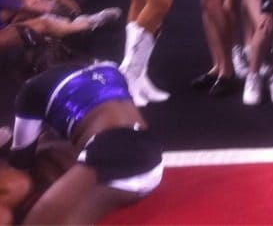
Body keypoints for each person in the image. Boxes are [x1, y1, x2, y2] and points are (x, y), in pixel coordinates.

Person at [7, 62, 163, 224]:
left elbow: (21, 161)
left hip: (113, 157)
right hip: (150, 159)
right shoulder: (109, 68)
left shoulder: (32, 88)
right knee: (53, 150)